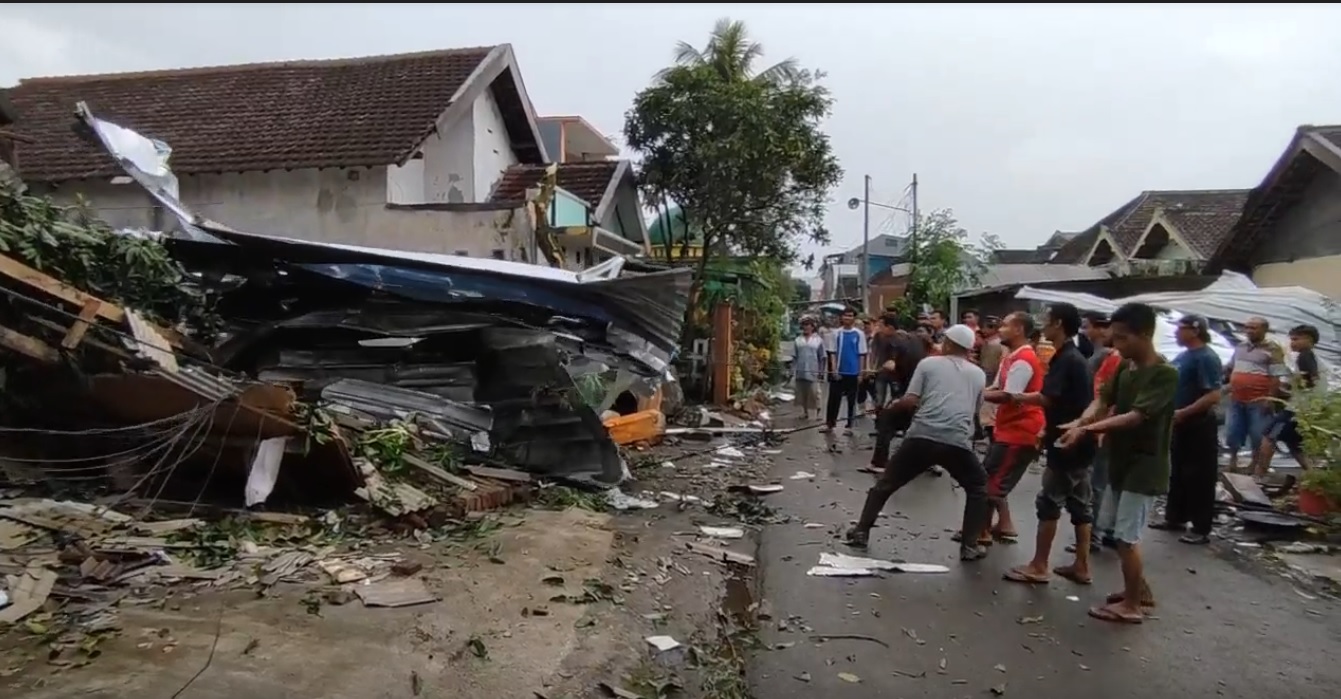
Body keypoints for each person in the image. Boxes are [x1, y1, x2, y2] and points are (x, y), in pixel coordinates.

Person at [1058, 302, 1177, 624]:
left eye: (1123, 338)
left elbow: (1134, 417)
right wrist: (1080, 421)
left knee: (1126, 536)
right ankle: (1138, 591)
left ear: (1146, 335)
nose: (1117, 345)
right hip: (1120, 461)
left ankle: (1132, 605)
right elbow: (1103, 399)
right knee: (1115, 530)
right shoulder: (1126, 367)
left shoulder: (1164, 374)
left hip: (1145, 466)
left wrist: (1086, 429)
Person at [845, 325, 990, 561]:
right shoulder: (978, 374)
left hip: (922, 435)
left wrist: (894, 405)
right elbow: (974, 411)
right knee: (978, 487)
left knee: (886, 483)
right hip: (957, 440)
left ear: (950, 344)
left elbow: (911, 401)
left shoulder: (929, 364)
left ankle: (861, 531)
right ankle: (970, 546)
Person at [1003, 303, 1097, 585]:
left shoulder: (1067, 358)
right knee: (1080, 505)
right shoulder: (1073, 357)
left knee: (1049, 502)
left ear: (1058, 323)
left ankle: (1039, 565)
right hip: (1081, 440)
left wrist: (1014, 397)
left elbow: (1048, 397)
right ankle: (1081, 565)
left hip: (1067, 442)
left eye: (1047, 320)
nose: (1042, 325)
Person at [964, 312, 1045, 547]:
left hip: (1019, 431)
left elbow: (1008, 395)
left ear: (1019, 329)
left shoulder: (1023, 359)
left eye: (1006, 325)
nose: (1000, 328)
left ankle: (984, 530)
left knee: (992, 481)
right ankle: (992, 527)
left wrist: (974, 395)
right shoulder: (1011, 356)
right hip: (1008, 428)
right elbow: (997, 386)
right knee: (991, 476)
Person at [1149, 315, 1223, 545]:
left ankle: (1201, 527)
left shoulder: (1207, 358)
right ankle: (1176, 517)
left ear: (1195, 331)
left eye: (1181, 329)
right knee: (1178, 472)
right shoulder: (1184, 356)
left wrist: (1184, 412)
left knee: (1199, 476)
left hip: (1198, 424)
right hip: (1179, 423)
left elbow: (1213, 395)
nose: (1176, 334)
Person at [1255, 324, 1321, 485]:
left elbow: (1309, 381)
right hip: (1307, 408)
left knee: (1269, 436)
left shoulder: (1306, 356)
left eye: (1296, 339)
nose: (1292, 343)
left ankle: (1259, 474)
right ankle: (1314, 476)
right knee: (1294, 444)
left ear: (1309, 339)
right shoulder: (1309, 357)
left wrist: (1289, 387)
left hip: (1297, 410)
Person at [1225, 317, 1289, 473]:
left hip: (1259, 399)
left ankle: (1254, 464)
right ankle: (1233, 461)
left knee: (1257, 433)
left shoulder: (1273, 349)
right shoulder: (1240, 346)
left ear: (1264, 330)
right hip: (1237, 397)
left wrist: (1269, 398)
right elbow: (1230, 367)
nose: (1249, 331)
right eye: (1247, 327)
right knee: (1233, 431)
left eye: (1254, 328)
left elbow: (1276, 376)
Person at [865, 323, 928, 475]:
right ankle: (925, 462)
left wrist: (898, 397)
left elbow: (895, 370)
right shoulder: (917, 345)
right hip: (919, 396)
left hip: (910, 396)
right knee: (916, 429)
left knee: (886, 423)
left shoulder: (897, 346)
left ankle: (880, 462)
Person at [822, 307, 867, 434]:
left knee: (852, 400)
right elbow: (833, 353)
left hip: (853, 373)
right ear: (841, 317)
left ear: (854, 318)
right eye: (845, 316)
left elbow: (862, 354)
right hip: (839, 372)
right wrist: (834, 369)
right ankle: (830, 424)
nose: (848, 318)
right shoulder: (836, 333)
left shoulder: (859, 334)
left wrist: (860, 372)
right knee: (833, 399)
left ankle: (850, 425)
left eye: (850, 316)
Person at [792, 317, 826, 421]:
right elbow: (794, 356)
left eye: (808, 325)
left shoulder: (818, 340)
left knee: (815, 393)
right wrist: (792, 370)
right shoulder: (798, 340)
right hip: (801, 371)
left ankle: (818, 413)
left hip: (813, 370)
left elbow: (822, 357)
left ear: (812, 327)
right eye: (804, 325)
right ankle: (805, 412)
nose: (806, 327)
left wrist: (821, 371)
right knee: (803, 393)